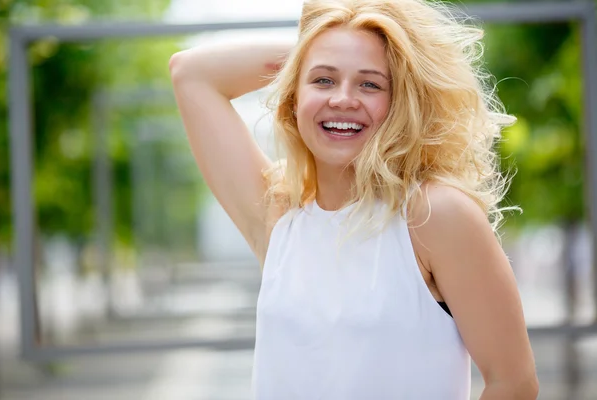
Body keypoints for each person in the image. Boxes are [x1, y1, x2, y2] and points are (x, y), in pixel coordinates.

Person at [169, 0, 539, 398]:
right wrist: (320, 45)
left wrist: (330, 53)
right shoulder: (280, 212)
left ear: (399, 102)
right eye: (323, 81)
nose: (343, 99)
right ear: (294, 99)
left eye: (370, 84)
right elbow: (191, 73)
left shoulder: (435, 215)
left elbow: (513, 383)